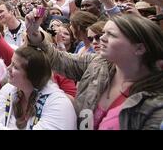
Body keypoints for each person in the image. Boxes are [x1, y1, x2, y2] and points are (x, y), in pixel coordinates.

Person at [25, 11, 163, 129]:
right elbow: (60, 60)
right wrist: (35, 35)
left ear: (139, 48)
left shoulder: (156, 106)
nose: (102, 38)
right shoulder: (98, 63)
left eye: (112, 35)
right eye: (104, 33)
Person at [0, 46, 77, 130]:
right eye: (11, 63)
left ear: (32, 75)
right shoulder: (8, 89)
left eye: (15, 67)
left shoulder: (59, 104)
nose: (8, 68)